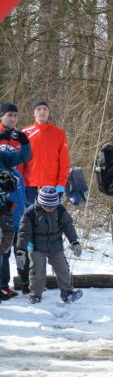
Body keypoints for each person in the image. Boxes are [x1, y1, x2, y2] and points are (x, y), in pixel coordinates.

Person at [16, 185, 82, 304]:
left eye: (53, 206)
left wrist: (74, 241)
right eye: (48, 206)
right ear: (41, 203)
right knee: (37, 272)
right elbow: (23, 233)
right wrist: (20, 251)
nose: (51, 209)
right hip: (37, 247)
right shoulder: (30, 213)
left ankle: (67, 293)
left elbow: (68, 225)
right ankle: (35, 294)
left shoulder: (60, 209)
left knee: (63, 268)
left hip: (55, 245)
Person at [0, 103, 31, 298]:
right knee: (4, 245)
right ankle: (3, 284)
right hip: (3, 204)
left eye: (15, 116)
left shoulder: (11, 141)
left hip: (16, 200)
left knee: (19, 243)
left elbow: (24, 157)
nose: (13, 119)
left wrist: (24, 140)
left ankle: (25, 282)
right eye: (9, 115)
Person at [22, 100, 69, 204]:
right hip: (29, 184)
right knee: (28, 218)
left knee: (48, 219)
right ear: (34, 113)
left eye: (45, 109)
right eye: (38, 109)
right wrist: (20, 182)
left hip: (50, 185)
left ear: (48, 112)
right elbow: (20, 162)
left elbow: (64, 162)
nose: (42, 111)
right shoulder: (25, 133)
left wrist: (61, 184)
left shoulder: (59, 134)